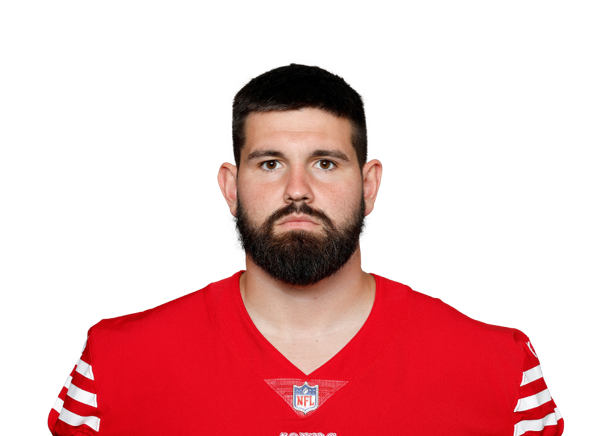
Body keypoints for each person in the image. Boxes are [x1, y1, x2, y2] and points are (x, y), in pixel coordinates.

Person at [48, 63, 564, 435]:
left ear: (370, 185)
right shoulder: (113, 366)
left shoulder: (503, 372)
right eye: (270, 163)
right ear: (231, 187)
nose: (298, 190)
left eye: (325, 163)